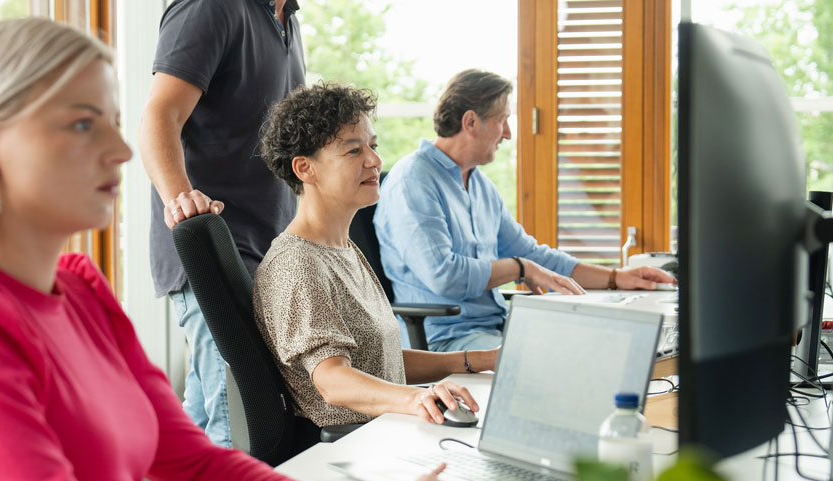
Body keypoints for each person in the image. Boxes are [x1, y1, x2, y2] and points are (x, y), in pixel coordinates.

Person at [0, 18, 456, 481]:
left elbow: (201, 468)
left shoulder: (81, 294)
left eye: (116, 123)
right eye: (81, 123)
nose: (122, 151)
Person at [374, 69, 676, 353]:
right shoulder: (413, 180)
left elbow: (533, 255)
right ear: (470, 122)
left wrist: (616, 277)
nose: (507, 133)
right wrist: (519, 268)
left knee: (605, 342)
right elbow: (444, 276)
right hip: (448, 342)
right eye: (502, 120)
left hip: (497, 328)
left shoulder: (479, 185)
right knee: (567, 360)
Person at [254, 82, 499, 430]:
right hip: (355, 446)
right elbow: (332, 380)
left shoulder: (342, 249)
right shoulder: (296, 264)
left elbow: (379, 361)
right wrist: (416, 398)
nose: (375, 160)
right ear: (305, 169)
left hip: (386, 429)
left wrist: (478, 360)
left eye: (373, 145)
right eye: (354, 151)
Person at [138, 0, 305, 449]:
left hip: (265, 249)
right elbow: (160, 115)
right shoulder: (212, 6)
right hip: (217, 251)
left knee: (207, 425)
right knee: (237, 432)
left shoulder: (287, 19)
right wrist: (179, 201)